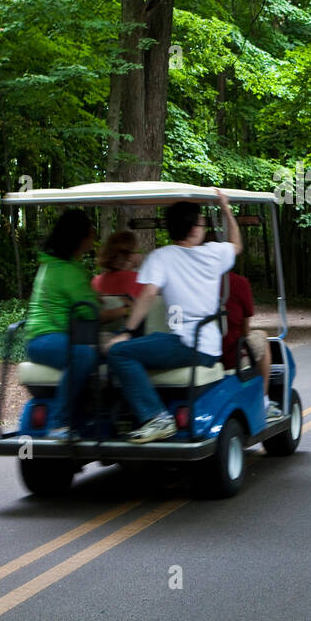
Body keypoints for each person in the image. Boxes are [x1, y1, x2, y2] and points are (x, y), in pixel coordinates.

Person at [105, 190, 240, 443]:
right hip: (207, 345)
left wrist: (127, 332)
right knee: (142, 340)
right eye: (201, 222)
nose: (203, 227)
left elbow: (147, 296)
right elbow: (237, 244)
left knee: (118, 351)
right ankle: (128, 413)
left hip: (186, 343)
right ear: (193, 228)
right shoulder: (213, 253)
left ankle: (157, 417)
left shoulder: (162, 257)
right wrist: (226, 209)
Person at [23, 209, 120, 437]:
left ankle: (94, 419)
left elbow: (82, 301)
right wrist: (125, 309)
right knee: (85, 354)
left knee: (105, 352)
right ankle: (59, 422)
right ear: (81, 238)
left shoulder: (55, 265)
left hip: (47, 338)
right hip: (46, 339)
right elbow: (90, 314)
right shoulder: (67, 271)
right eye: (90, 233)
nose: (94, 237)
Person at [204, 230, 276, 418]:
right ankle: (264, 401)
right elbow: (244, 329)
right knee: (262, 337)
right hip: (229, 355)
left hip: (198, 353)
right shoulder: (238, 283)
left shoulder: (193, 280)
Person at [92, 230, 142, 328]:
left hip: (101, 336)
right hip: (131, 337)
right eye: (138, 251)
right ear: (131, 256)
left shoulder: (95, 281)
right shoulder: (139, 280)